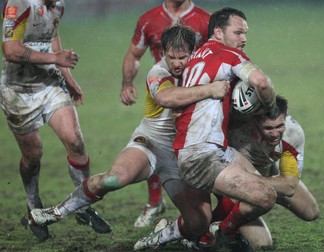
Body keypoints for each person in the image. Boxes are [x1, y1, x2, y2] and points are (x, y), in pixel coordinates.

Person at [28, 25, 231, 239]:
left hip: (181, 156)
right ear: (163, 53)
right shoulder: (158, 72)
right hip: (150, 143)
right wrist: (209, 90)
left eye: (183, 57)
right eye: (172, 57)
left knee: (198, 222)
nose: (177, 63)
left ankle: (161, 234)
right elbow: (166, 97)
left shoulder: (202, 70)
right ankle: (58, 210)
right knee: (114, 179)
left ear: (193, 53)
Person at [134, 7, 278, 252]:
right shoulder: (229, 55)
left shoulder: (195, 56)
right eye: (238, 32)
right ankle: (226, 231)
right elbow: (262, 82)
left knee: (198, 221)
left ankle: (167, 234)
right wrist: (270, 107)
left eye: (246, 33)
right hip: (200, 155)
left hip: (196, 150)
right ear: (219, 32)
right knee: (266, 196)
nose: (243, 38)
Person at [0, 0, 111, 241]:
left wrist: (67, 78)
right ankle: (33, 206)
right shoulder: (19, 4)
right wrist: (54, 58)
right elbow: (10, 50)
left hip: (50, 84)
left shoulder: (58, 5)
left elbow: (53, 38)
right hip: (18, 92)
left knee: (76, 143)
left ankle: (83, 207)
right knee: (33, 156)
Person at [119, 0, 211, 228]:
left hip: (194, 93)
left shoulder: (205, 19)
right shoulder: (148, 19)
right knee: (155, 141)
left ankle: (203, 211)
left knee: (190, 152)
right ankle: (155, 203)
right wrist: (127, 83)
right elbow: (134, 54)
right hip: (161, 89)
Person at [200, 95, 320, 249]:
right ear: (255, 122)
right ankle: (220, 230)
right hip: (237, 184)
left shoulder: (293, 133)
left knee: (310, 211)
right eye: (268, 128)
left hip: (261, 177)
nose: (275, 133)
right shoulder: (237, 133)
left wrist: (257, 182)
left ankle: (218, 227)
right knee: (262, 244)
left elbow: (289, 186)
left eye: (279, 126)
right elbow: (229, 183)